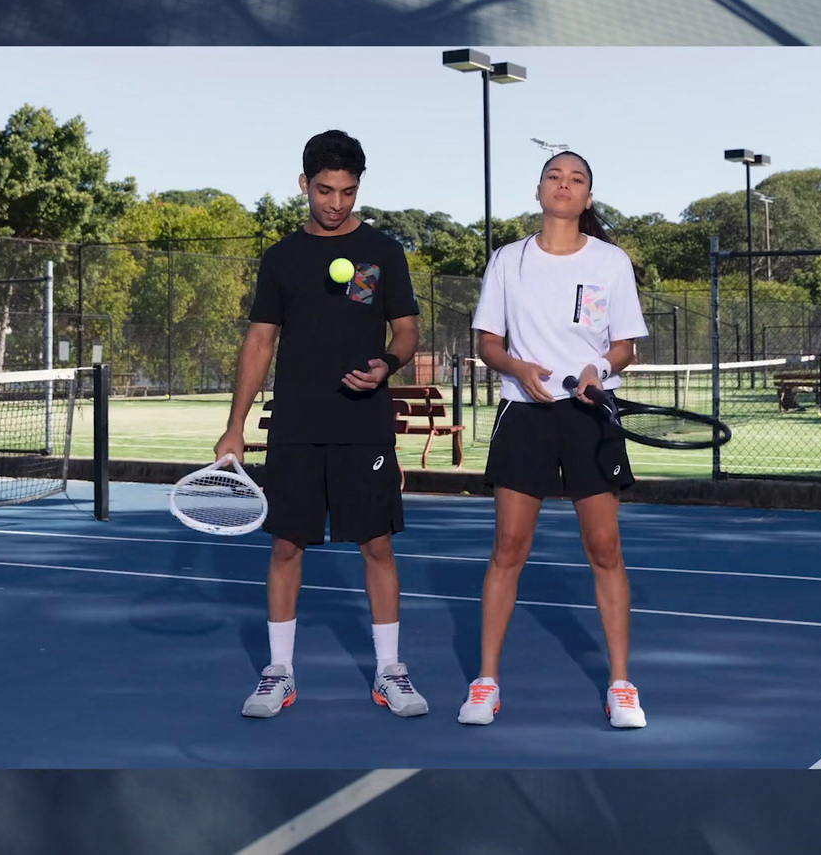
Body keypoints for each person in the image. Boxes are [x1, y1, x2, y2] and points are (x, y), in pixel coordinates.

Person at [214, 130, 428, 719]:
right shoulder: (281, 257)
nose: (337, 203)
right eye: (326, 190)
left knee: (377, 545)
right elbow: (260, 342)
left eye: (349, 192)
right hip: (296, 425)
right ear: (303, 183)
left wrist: (387, 362)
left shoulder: (383, 251)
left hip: (364, 424)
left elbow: (406, 330)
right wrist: (234, 426)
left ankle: (390, 671)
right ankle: (278, 672)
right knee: (286, 546)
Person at [459, 151, 650, 729]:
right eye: (554, 176)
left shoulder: (612, 262)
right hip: (525, 413)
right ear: (539, 189)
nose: (564, 186)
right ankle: (486, 682)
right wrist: (517, 368)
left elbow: (626, 346)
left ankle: (621, 684)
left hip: (589, 415)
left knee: (605, 549)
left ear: (588, 197)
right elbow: (487, 342)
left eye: (577, 180)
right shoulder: (507, 261)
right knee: (508, 549)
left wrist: (597, 367)